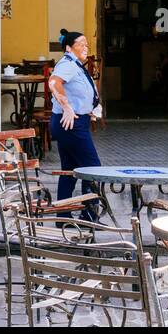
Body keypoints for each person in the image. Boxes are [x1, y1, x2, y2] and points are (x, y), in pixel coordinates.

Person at [47, 29, 102, 219]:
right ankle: (89, 215)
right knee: (92, 168)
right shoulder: (68, 64)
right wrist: (68, 107)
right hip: (71, 123)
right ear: (69, 47)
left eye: (87, 44)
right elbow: (53, 83)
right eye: (81, 44)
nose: (86, 47)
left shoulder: (76, 65)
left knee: (69, 170)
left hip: (74, 122)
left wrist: (91, 110)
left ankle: (63, 217)